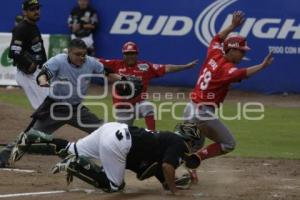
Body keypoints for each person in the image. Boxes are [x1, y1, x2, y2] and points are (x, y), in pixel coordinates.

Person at [183, 11, 274, 182]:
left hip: (190, 108)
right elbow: (243, 73)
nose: (243, 54)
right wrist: (262, 66)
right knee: (228, 144)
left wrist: (232, 26)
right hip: (203, 113)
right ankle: (196, 159)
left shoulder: (214, 53)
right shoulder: (226, 69)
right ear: (231, 49)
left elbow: (216, 39)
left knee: (194, 143)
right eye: (240, 51)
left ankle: (188, 169)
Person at [0, 39, 118, 167]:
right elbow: (43, 74)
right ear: (70, 52)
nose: (81, 57)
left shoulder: (90, 62)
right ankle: (3, 156)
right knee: (30, 136)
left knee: (104, 132)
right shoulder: (58, 61)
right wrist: (43, 81)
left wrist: (123, 79)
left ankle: (116, 161)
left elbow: (107, 72)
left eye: (83, 54)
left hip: (77, 110)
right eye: (78, 54)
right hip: (55, 109)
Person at [51, 122, 203, 194]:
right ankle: (75, 164)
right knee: (114, 186)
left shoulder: (168, 139)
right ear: (190, 140)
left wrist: (167, 182)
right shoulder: (179, 144)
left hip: (113, 129)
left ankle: (31, 140)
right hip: (119, 144)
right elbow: (166, 166)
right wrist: (174, 190)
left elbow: (158, 166)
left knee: (73, 148)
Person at [100, 41, 198, 131]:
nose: (130, 56)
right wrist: (85, 57)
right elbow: (96, 62)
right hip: (122, 108)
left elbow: (167, 68)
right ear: (123, 54)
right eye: (127, 53)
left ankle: (152, 133)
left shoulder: (144, 67)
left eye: (132, 53)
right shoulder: (115, 64)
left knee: (148, 106)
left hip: (138, 105)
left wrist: (186, 67)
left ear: (137, 54)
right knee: (123, 134)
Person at [9, 0, 48, 110]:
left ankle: (38, 127)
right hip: (29, 74)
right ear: (25, 12)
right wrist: (30, 64)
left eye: (37, 8)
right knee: (45, 106)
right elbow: (13, 52)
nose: (36, 11)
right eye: (32, 9)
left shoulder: (33, 26)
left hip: (37, 73)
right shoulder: (21, 29)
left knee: (44, 107)